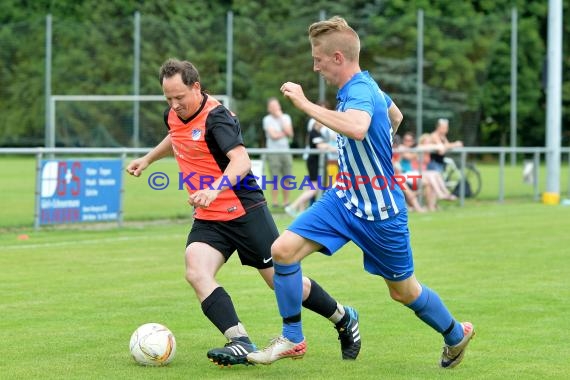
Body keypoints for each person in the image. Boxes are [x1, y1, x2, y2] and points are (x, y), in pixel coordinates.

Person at [247, 17, 474, 368]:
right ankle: (292, 338)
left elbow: (357, 126)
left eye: (318, 58)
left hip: (381, 212)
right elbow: (395, 116)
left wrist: (306, 104)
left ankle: (456, 335)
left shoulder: (360, 91)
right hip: (344, 199)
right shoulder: (366, 87)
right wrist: (379, 143)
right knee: (283, 250)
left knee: (403, 291)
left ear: (338, 57)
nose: (315, 65)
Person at [126, 58, 359, 367]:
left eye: (179, 97)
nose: (174, 104)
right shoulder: (174, 114)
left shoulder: (218, 118)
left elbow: (241, 161)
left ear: (196, 87)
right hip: (210, 217)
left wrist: (213, 189)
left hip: (244, 210)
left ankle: (344, 318)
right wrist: (147, 159)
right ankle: (239, 340)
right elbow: (177, 136)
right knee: (196, 271)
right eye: (168, 98)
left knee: (281, 282)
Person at [285, 110, 336, 217]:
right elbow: (320, 146)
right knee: (313, 189)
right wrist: (335, 149)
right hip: (314, 163)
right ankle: (292, 207)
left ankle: (300, 210)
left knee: (309, 187)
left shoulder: (319, 133)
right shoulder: (314, 132)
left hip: (316, 162)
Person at [263, 97, 294, 208]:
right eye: (272, 106)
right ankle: (275, 202)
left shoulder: (285, 117)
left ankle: (286, 202)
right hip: (273, 153)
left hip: (285, 151)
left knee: (287, 177)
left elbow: (290, 133)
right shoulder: (267, 119)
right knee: (275, 178)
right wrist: (283, 132)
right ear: (269, 109)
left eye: (276, 105)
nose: (275, 108)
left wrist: (280, 118)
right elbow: (273, 136)